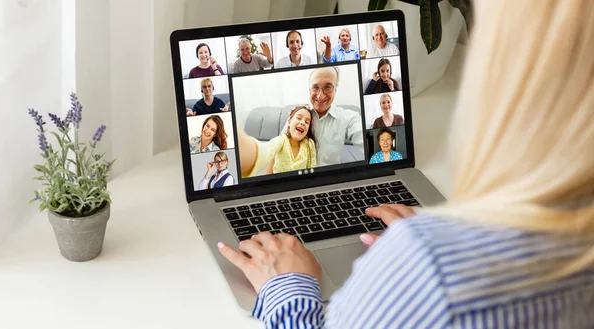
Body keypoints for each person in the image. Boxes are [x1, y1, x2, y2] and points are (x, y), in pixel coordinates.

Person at [217, 0, 594, 327]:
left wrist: (288, 290)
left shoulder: (436, 272)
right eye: (313, 90)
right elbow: (257, 152)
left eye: (327, 87)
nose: (317, 97)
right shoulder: (283, 134)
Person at [238, 105, 317, 177]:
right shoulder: (281, 140)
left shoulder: (309, 144)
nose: (302, 123)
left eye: (307, 122)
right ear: (289, 122)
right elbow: (267, 151)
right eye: (299, 118)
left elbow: (313, 171)